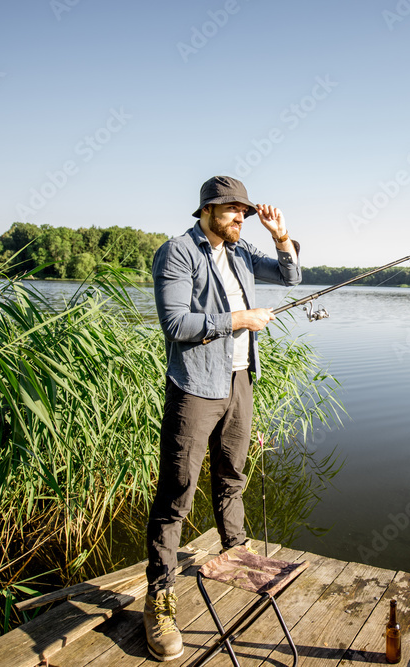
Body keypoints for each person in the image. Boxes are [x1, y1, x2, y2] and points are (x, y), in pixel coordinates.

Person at [143, 175, 301, 661]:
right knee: (177, 491)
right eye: (233, 210)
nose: (240, 218)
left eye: (245, 212)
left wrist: (280, 238)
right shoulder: (178, 253)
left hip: (238, 380)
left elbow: (290, 277)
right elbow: (175, 324)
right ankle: (160, 598)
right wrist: (239, 320)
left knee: (232, 473)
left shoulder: (240, 251)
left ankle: (236, 552)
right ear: (208, 210)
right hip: (195, 388)